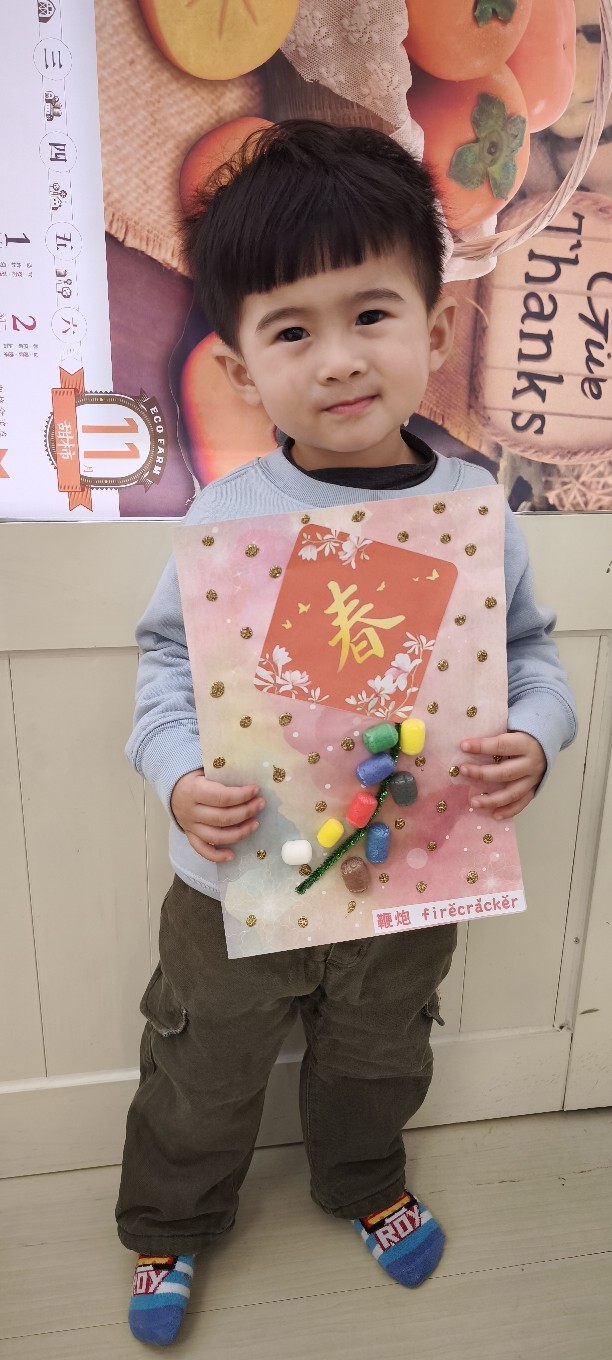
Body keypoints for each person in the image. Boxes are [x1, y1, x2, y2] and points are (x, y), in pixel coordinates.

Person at [117, 120, 577, 1347]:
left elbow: (534, 654)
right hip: (237, 876)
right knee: (203, 1064)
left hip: (408, 877)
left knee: (379, 1053)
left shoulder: (476, 507)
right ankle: (171, 1218)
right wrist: (178, 777)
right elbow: (165, 669)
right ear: (237, 366)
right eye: (291, 331)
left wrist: (537, 735)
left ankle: (364, 1180)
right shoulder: (229, 512)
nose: (337, 359)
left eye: (371, 313)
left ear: (438, 326)